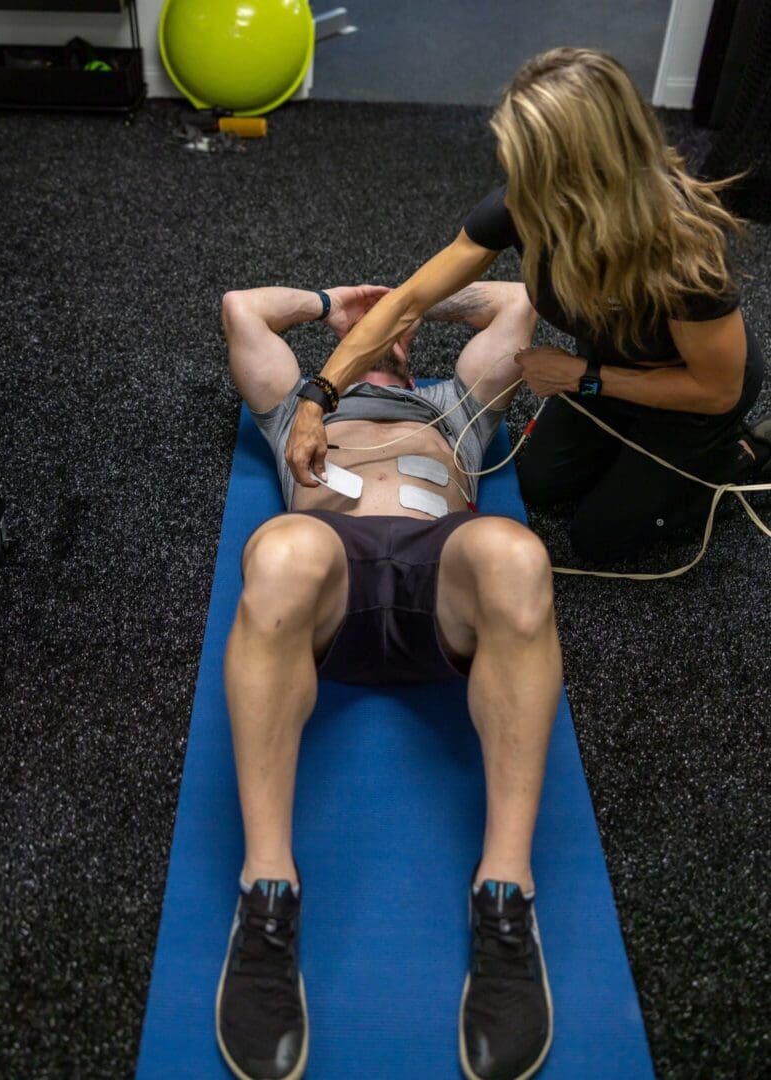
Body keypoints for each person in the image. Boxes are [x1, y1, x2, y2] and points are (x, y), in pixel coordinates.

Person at [217, 279, 561, 1080]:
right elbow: (242, 309)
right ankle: (267, 892)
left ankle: (506, 896)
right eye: (367, 330)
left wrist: (412, 304)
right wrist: (332, 303)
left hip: (442, 577)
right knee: (278, 548)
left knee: (517, 554)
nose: (382, 335)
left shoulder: (453, 405)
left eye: (394, 332)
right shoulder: (299, 404)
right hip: (328, 578)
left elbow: (515, 303)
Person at [285, 48, 771, 564]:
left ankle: (740, 455)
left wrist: (584, 377)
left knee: (599, 539)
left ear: (587, 173)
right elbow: (407, 303)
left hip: (691, 401)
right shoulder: (523, 207)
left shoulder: (682, 254)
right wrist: (318, 397)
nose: (512, 189)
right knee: (538, 484)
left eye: (530, 171)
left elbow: (717, 389)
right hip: (604, 375)